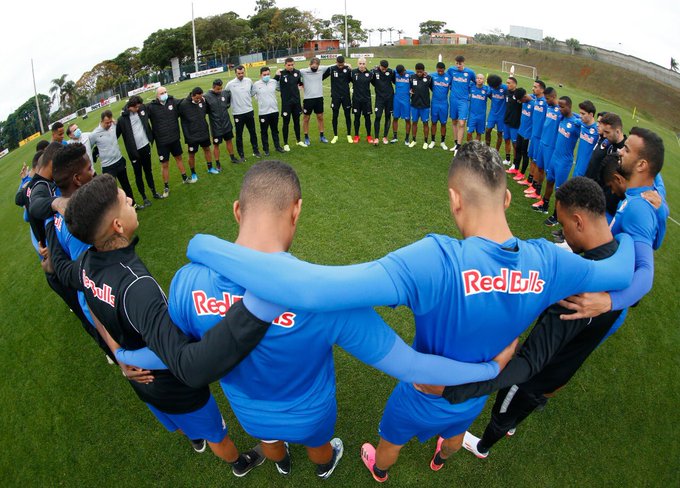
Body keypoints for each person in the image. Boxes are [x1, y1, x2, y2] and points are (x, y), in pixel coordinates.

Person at [185, 142, 634, 483]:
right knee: (454, 433)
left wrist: (202, 245)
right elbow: (620, 266)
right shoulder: (552, 262)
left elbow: (311, 287)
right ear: (509, 200)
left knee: (389, 442)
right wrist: (633, 238)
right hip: (471, 397)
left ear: (454, 200)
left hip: (419, 393)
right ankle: (441, 456)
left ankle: (375, 472)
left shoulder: (433, 261)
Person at [167, 160, 516, 480]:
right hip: (311, 412)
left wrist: (126, 357)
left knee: (270, 438)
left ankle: (282, 462)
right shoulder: (330, 301)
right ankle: (324, 464)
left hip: (249, 410)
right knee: (319, 445)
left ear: (237, 210)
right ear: (297, 210)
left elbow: (172, 353)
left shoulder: (184, 282)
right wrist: (487, 370)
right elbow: (411, 367)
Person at [45, 174, 287, 478]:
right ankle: (238, 463)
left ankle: (194, 438)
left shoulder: (85, 265)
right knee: (216, 434)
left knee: (181, 425)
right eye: (124, 200)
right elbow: (187, 364)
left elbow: (64, 270)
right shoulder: (138, 287)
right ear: (117, 226)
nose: (131, 201)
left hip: (142, 385)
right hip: (173, 386)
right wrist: (257, 308)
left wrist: (119, 352)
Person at [423, 177, 626, 461]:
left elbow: (530, 362)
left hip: (538, 375)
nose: (563, 233)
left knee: (506, 407)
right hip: (567, 364)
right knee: (527, 401)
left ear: (579, 221)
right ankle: (515, 417)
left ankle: (483, 446)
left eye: (564, 225)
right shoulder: (621, 258)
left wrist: (456, 390)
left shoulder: (578, 296)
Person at [559, 127, 667, 336]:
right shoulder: (638, 197)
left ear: (642, 165)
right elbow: (656, 241)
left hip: (604, 304)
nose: (620, 152)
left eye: (626, 149)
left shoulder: (639, 207)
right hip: (603, 288)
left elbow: (646, 271)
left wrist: (610, 301)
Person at [43, 143, 114, 360]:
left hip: (97, 307)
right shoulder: (79, 220)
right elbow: (90, 279)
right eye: (89, 169)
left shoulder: (58, 211)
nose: (93, 172)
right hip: (107, 309)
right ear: (77, 179)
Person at [538, 96, 581, 221]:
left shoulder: (575, 124)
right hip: (554, 157)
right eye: (559, 106)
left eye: (562, 107)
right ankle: (544, 205)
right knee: (549, 181)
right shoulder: (561, 118)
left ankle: (556, 216)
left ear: (569, 107)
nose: (560, 109)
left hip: (564, 161)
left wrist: (578, 117)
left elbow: (586, 128)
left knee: (560, 190)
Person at [117, 95, 162, 206]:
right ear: (130, 107)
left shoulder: (142, 109)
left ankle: (154, 192)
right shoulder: (122, 119)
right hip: (134, 152)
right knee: (138, 175)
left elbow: (152, 105)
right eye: (136, 107)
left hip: (145, 146)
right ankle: (144, 197)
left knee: (148, 171)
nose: (138, 109)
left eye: (139, 107)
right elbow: (115, 135)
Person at [147, 86, 192, 195]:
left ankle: (185, 177)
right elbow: (139, 110)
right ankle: (166, 186)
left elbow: (184, 101)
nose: (164, 94)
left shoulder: (172, 101)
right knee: (164, 164)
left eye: (165, 92)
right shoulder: (151, 107)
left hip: (174, 138)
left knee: (179, 158)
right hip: (162, 142)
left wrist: (194, 97)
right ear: (157, 96)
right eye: (162, 93)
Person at [89, 110, 137, 206]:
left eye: (110, 122)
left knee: (126, 185)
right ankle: (118, 210)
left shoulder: (113, 126)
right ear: (101, 121)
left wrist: (113, 122)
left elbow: (118, 123)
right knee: (112, 191)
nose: (109, 124)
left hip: (119, 161)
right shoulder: (94, 134)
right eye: (107, 123)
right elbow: (89, 148)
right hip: (108, 167)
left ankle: (133, 205)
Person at [526, 87, 559, 204]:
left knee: (547, 173)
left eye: (548, 98)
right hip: (542, 142)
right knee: (539, 167)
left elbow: (572, 115)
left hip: (551, 146)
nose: (546, 100)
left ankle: (544, 199)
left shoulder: (560, 111)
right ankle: (536, 190)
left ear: (554, 97)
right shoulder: (549, 107)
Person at [177, 87, 215, 177]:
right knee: (191, 155)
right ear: (192, 96)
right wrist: (187, 135)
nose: (199, 100)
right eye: (197, 98)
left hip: (203, 132)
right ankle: (193, 173)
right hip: (191, 135)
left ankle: (210, 168)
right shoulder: (183, 105)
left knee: (207, 149)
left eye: (200, 98)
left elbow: (208, 110)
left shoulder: (203, 101)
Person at [226, 66, 262, 161]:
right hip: (237, 113)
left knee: (253, 132)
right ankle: (241, 155)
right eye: (239, 73)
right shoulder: (230, 84)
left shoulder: (249, 81)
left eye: (242, 73)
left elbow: (252, 92)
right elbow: (225, 95)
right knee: (239, 135)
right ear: (235, 73)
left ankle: (256, 151)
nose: (241, 75)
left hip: (249, 111)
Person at [518, 80, 547, 190]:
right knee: (532, 158)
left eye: (535, 87)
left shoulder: (545, 103)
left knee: (538, 162)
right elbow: (526, 96)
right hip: (533, 135)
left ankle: (536, 185)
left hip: (541, 137)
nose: (533, 89)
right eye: (533, 86)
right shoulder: (535, 100)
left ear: (542, 90)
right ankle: (530, 180)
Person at [204, 78, 239, 167]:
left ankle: (232, 158)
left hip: (226, 124)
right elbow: (206, 110)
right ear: (213, 87)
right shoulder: (206, 97)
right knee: (216, 145)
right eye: (218, 89)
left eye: (221, 88)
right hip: (216, 127)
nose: (219, 91)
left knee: (229, 141)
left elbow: (227, 104)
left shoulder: (225, 93)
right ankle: (217, 163)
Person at [252, 67, 284, 156]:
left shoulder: (274, 82)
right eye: (264, 75)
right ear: (260, 75)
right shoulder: (256, 85)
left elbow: (281, 88)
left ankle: (277, 147)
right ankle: (266, 149)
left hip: (274, 111)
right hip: (263, 113)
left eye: (268, 74)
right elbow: (250, 94)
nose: (266, 76)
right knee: (264, 132)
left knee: (275, 130)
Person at [446, 55, 475, 154]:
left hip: (463, 100)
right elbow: (446, 79)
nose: (458, 65)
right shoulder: (451, 70)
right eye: (457, 63)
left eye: (460, 64)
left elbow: (476, 82)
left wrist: (470, 88)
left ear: (464, 63)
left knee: (462, 123)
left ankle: (459, 146)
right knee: (454, 121)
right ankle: (456, 144)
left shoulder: (470, 72)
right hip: (453, 99)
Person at [275, 58, 305, 150]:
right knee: (286, 123)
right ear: (285, 65)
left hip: (296, 102)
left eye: (292, 64)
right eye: (289, 65)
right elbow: (273, 82)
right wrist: (276, 75)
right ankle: (285, 143)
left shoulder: (298, 73)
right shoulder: (281, 74)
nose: (291, 66)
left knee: (297, 122)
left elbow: (301, 84)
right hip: (286, 103)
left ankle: (299, 140)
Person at [323, 55, 353, 144]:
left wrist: (351, 70)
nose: (340, 66)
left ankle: (349, 135)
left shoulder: (347, 69)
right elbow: (321, 77)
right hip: (335, 97)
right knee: (335, 116)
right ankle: (335, 135)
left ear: (344, 62)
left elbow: (354, 80)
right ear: (336, 62)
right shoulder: (331, 69)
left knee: (347, 116)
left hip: (346, 96)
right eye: (339, 65)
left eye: (342, 64)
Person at [300, 58, 329, 145]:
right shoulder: (303, 71)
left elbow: (332, 67)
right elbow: (292, 72)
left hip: (319, 98)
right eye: (313, 65)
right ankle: (306, 137)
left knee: (320, 117)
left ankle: (322, 136)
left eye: (316, 65)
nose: (315, 66)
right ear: (310, 65)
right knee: (306, 118)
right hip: (308, 99)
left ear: (318, 65)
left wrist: (346, 64)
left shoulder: (321, 69)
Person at [506, 88, 530, 179]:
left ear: (524, 97)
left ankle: (522, 173)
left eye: (520, 100)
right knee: (518, 149)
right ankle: (516, 168)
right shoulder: (524, 101)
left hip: (528, 133)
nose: (520, 102)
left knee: (525, 153)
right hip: (521, 130)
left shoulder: (533, 104)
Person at [408, 63, 433, 150]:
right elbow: (409, 88)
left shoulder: (428, 78)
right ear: (415, 70)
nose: (419, 73)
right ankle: (414, 140)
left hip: (425, 105)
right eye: (417, 71)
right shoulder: (412, 77)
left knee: (425, 123)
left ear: (423, 71)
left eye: (421, 72)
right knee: (414, 123)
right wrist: (409, 91)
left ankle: (426, 142)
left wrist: (428, 74)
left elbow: (433, 88)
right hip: (414, 105)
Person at [371, 59, 396, 145]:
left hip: (389, 98)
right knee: (378, 116)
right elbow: (371, 81)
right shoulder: (374, 72)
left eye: (386, 68)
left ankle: (385, 137)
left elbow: (396, 81)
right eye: (383, 68)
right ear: (379, 66)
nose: (384, 70)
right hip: (379, 98)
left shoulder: (391, 72)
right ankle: (376, 138)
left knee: (388, 117)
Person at [350, 57, 374, 143]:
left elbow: (376, 83)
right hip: (356, 100)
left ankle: (369, 136)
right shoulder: (353, 72)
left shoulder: (370, 74)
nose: (362, 65)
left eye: (363, 64)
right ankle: (356, 136)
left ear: (366, 64)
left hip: (366, 100)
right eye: (360, 63)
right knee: (357, 118)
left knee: (367, 118)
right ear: (357, 64)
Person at [572, 101, 598, 177]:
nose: (580, 116)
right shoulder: (582, 123)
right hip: (577, 166)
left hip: (587, 170)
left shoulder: (597, 131)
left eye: (583, 114)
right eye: (580, 113)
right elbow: (574, 116)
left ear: (591, 114)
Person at [391, 65, 415, 145]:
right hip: (397, 99)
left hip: (406, 100)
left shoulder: (411, 73)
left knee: (407, 119)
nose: (401, 74)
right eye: (399, 73)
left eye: (402, 73)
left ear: (405, 70)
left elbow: (418, 77)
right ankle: (395, 137)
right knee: (395, 118)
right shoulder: (395, 72)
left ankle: (407, 138)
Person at [429, 62, 450, 150]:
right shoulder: (432, 76)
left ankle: (442, 142)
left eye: (442, 71)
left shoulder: (449, 77)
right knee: (433, 122)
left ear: (444, 69)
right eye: (439, 71)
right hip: (434, 103)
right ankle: (433, 141)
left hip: (444, 103)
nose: (440, 72)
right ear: (436, 69)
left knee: (443, 123)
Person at [484, 75, 507, 152]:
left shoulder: (504, 88)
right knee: (488, 130)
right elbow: (489, 95)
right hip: (492, 113)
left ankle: (496, 151)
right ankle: (487, 149)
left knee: (499, 133)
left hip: (502, 115)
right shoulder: (491, 88)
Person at [502, 77, 522, 165]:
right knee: (506, 140)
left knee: (515, 144)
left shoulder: (519, 94)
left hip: (515, 123)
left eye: (509, 83)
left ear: (514, 84)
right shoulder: (506, 92)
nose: (507, 85)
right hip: (506, 121)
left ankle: (515, 163)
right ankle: (507, 159)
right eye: (507, 83)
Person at [467, 74, 489, 143]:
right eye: (478, 78)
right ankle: (470, 147)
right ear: (475, 79)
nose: (479, 80)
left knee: (479, 133)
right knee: (469, 132)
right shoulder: (471, 87)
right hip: (472, 115)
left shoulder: (486, 89)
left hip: (481, 115)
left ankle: (476, 148)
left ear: (484, 80)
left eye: (481, 78)